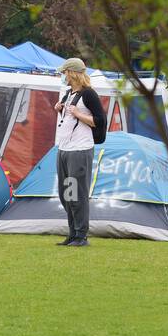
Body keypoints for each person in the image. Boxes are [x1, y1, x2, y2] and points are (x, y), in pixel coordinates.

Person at [54, 58, 105, 247]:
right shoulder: (69, 93)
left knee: (77, 193)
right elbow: (67, 120)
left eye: (65, 72)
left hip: (80, 150)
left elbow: (99, 120)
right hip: (64, 148)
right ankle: (72, 233)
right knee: (66, 193)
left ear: (72, 73)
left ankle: (81, 236)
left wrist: (78, 114)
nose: (63, 76)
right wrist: (60, 109)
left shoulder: (89, 94)